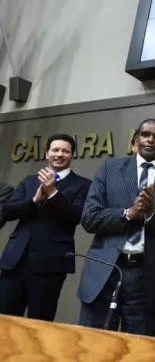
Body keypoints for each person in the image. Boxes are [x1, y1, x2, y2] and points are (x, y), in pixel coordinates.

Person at [77, 118, 155, 336]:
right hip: (105, 269)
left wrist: (152, 212)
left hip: (145, 276)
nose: (150, 140)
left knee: (139, 348)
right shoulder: (110, 168)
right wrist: (128, 214)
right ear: (136, 139)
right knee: (93, 343)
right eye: (145, 134)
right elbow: (89, 218)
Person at [0, 134, 91, 321]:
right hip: (15, 262)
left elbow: (76, 217)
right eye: (55, 150)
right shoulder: (29, 180)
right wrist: (34, 201)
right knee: (5, 322)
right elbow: (8, 211)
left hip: (49, 266)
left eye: (65, 151)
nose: (59, 154)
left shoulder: (83, 185)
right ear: (47, 153)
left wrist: (53, 193)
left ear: (72, 155)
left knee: (39, 324)